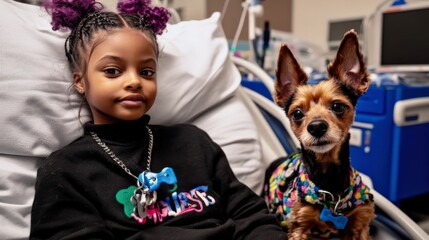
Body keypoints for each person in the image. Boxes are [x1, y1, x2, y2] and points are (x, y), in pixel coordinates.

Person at [30, 0, 286, 239]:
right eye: (112, 71)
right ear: (80, 81)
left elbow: (252, 217)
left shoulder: (193, 142)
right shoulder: (66, 171)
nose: (133, 81)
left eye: (146, 71)